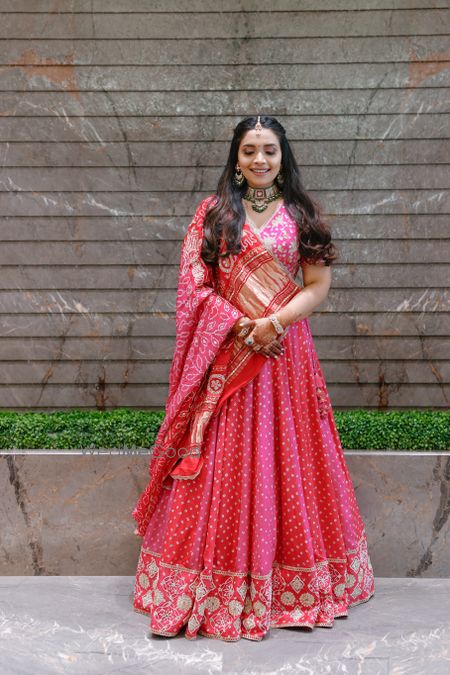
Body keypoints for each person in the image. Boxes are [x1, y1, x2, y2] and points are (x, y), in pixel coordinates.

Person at [132, 115, 375, 642]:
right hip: (229, 355)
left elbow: (316, 285)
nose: (259, 160)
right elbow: (194, 288)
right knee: (223, 458)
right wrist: (240, 323)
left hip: (283, 356)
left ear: (283, 155)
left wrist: (274, 322)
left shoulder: (302, 214)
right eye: (249, 151)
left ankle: (291, 585)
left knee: (289, 459)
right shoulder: (214, 214)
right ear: (236, 158)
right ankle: (203, 586)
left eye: (268, 150)